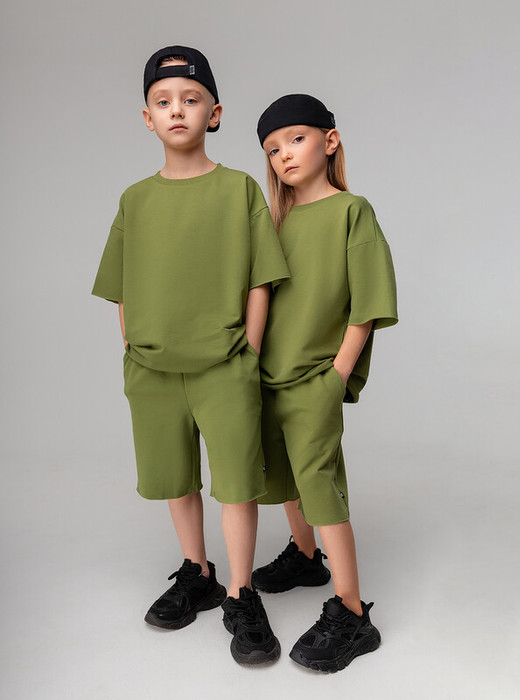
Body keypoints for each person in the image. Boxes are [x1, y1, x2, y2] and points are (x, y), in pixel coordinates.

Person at [92, 45, 290, 666]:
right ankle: (197, 571)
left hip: (225, 364)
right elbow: (120, 284)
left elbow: (261, 277)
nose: (177, 110)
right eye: (163, 101)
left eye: (191, 99)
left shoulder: (238, 191)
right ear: (147, 118)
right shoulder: (135, 199)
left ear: (215, 113)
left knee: (236, 483)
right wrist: (132, 345)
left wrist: (248, 349)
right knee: (176, 479)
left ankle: (240, 592)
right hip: (153, 369)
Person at [252, 94, 398, 672]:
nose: (284, 155)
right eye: (272, 149)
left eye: (296, 139)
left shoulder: (351, 211)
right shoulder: (276, 221)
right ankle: (305, 555)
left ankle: (352, 611)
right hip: (269, 375)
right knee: (285, 472)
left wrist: (337, 375)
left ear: (329, 140)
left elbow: (367, 301)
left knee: (319, 483)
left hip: (315, 377)